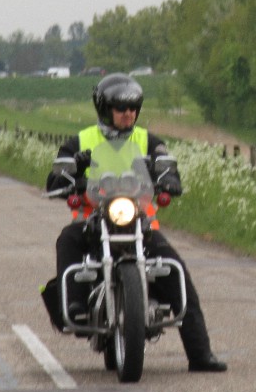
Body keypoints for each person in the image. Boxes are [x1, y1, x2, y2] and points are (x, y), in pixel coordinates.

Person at [42, 73, 227, 373]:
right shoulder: (80, 141)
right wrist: (68, 176)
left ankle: (200, 354)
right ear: (105, 109)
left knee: (177, 272)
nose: (128, 113)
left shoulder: (148, 140)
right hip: (93, 222)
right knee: (67, 240)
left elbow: (166, 164)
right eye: (120, 108)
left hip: (140, 224)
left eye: (133, 108)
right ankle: (74, 306)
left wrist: (169, 180)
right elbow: (57, 174)